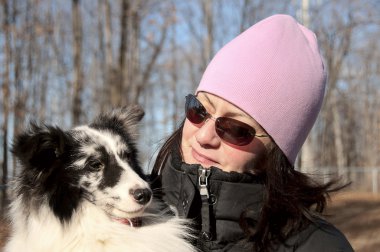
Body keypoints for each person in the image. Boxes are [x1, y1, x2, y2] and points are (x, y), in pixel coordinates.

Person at [150, 14, 354, 252]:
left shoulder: (319, 247)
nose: (204, 137)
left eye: (235, 130)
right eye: (199, 110)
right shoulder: (122, 209)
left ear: (274, 152)